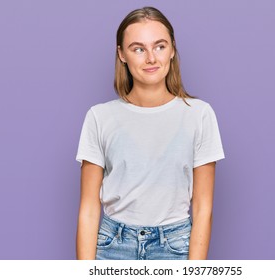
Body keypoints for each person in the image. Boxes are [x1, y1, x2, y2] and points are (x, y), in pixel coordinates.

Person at [75, 6, 225, 260]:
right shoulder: (99, 117)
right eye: (138, 49)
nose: (151, 58)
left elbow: (202, 208)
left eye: (160, 46)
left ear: (173, 50)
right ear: (122, 54)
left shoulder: (199, 115)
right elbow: (89, 208)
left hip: (175, 246)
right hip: (113, 247)